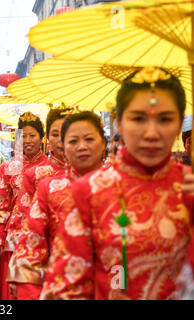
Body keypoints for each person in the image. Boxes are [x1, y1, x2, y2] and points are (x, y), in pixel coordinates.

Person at [41, 67, 194, 300]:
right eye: (138, 118)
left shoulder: (188, 185)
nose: (151, 132)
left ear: (179, 124)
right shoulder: (89, 192)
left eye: (165, 119)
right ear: (119, 124)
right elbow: (66, 288)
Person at [8, 111, 106, 299]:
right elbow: (31, 244)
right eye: (73, 141)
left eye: (89, 139)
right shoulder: (50, 188)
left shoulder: (119, 185)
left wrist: (120, 285)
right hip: (61, 286)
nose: (82, 147)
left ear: (103, 142)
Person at [0, 112, 47, 300]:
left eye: (33, 135)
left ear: (42, 137)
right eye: (23, 136)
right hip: (14, 237)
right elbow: (0, 204)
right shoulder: (8, 167)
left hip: (45, 236)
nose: (28, 140)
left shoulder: (52, 167)